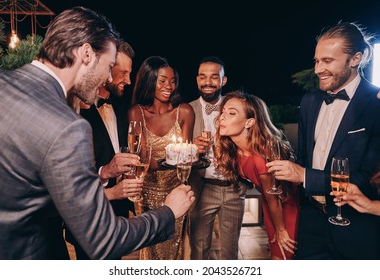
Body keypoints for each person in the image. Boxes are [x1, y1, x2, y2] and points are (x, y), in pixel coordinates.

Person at [0, 6, 195, 260]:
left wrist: (102, 175)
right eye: (109, 65)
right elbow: (105, 240)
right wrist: (169, 211)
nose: (108, 76)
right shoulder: (68, 126)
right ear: (86, 54)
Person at [266, 21, 380, 259]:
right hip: (312, 221)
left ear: (355, 59)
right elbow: (306, 158)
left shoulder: (376, 104)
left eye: (328, 61)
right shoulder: (309, 101)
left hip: (356, 225)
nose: (318, 69)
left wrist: (304, 175)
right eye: (317, 61)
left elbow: (369, 178)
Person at [65, 41, 141, 259]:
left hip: (116, 219)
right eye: (122, 72)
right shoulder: (76, 110)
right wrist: (106, 172)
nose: (127, 80)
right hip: (87, 221)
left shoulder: (119, 106)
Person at [216, 90, 299, 260]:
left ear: (249, 122)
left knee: (282, 257)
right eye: (223, 111)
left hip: (286, 207)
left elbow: (273, 199)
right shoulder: (236, 149)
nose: (222, 117)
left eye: (231, 113)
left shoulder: (261, 157)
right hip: (270, 207)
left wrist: (281, 229)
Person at [128, 56, 195, 260]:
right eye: (163, 80)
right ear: (150, 80)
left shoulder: (184, 111)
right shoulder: (136, 112)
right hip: (146, 193)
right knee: (150, 249)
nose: (169, 86)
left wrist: (189, 155)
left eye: (173, 80)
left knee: (175, 249)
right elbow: (145, 160)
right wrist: (175, 158)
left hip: (176, 191)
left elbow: (186, 157)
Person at [189, 56, 249, 260]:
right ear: (197, 80)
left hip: (233, 187)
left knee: (231, 251)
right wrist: (191, 148)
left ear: (223, 81)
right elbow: (175, 149)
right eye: (203, 77)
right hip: (201, 187)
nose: (208, 82)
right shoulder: (186, 110)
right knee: (198, 248)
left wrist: (244, 181)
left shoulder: (237, 109)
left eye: (214, 77)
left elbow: (251, 144)